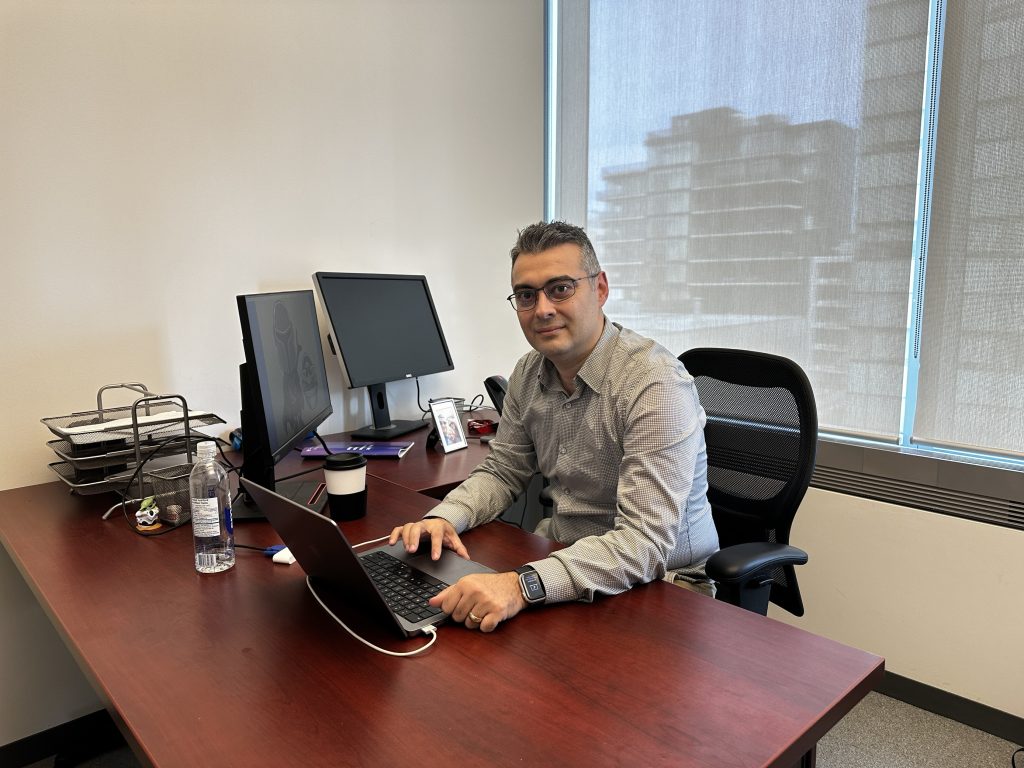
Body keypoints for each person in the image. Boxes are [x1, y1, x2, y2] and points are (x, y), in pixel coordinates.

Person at [389, 221, 719, 632]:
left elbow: (643, 544)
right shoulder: (529, 372)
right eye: (527, 295)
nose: (542, 309)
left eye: (560, 288)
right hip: (567, 561)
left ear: (599, 289)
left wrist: (521, 585)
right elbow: (502, 471)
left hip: (664, 586)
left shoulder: (653, 383)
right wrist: (445, 518)